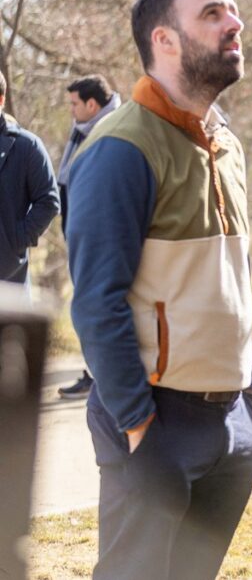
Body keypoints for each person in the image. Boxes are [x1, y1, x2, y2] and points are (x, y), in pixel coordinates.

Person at [66, 0, 252, 580]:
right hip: (155, 423)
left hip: (232, 421)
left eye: (231, 11)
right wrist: (138, 427)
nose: (235, 23)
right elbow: (96, 303)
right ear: (164, 40)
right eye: (211, 14)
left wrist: (249, 401)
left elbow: (230, 282)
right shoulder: (120, 148)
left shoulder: (227, 143)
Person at [57, 74, 121, 400]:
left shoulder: (110, 133)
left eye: (74, 104)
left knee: (97, 312)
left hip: (101, 244)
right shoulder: (83, 132)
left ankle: (102, 376)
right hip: (82, 241)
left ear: (92, 105)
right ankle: (93, 373)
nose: (71, 110)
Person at [0, 71, 60, 289]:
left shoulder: (27, 145)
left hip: (7, 279)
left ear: (1, 100)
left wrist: (15, 240)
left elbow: (49, 201)